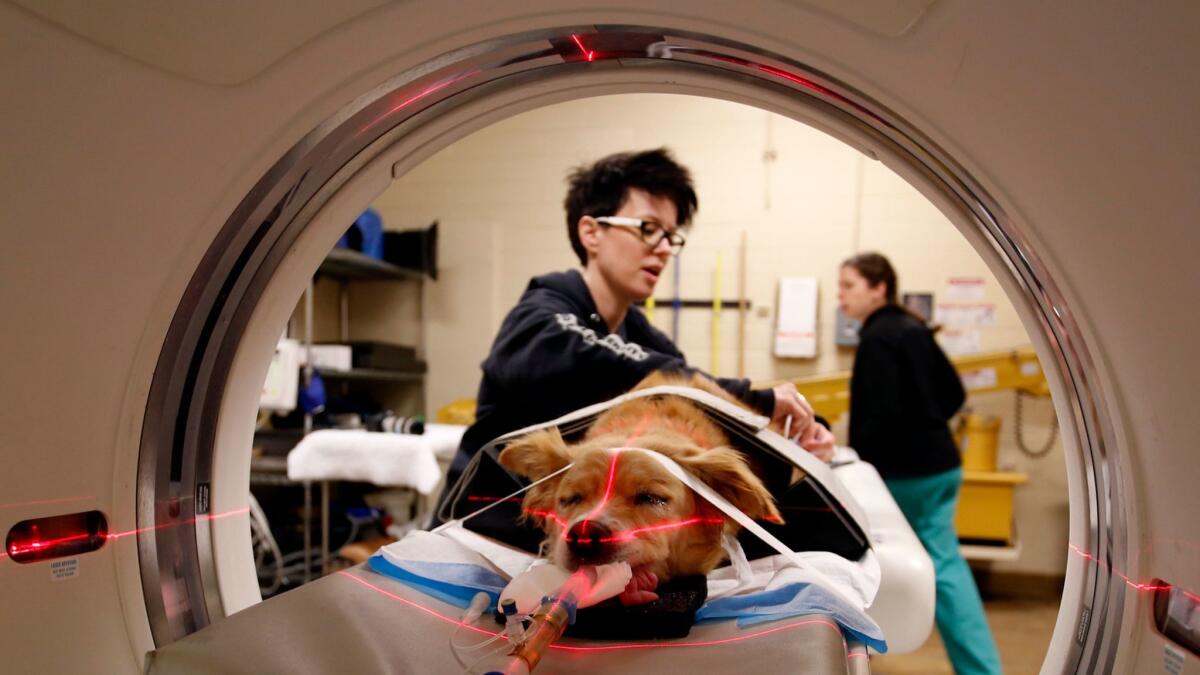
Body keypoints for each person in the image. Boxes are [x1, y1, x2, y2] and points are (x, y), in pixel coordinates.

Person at [435, 148, 834, 521]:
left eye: (670, 236)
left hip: (571, 529)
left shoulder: (637, 332)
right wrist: (756, 398)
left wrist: (797, 437)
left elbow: (687, 390)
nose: (663, 249)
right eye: (648, 229)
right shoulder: (540, 314)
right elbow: (619, 370)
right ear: (591, 232)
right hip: (481, 526)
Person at [839, 252, 1002, 675]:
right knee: (947, 564)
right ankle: (981, 667)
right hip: (942, 464)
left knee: (899, 566)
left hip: (909, 474)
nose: (841, 298)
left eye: (848, 286)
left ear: (879, 288)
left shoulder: (878, 337)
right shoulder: (913, 327)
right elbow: (953, 395)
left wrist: (857, 462)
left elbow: (878, 416)